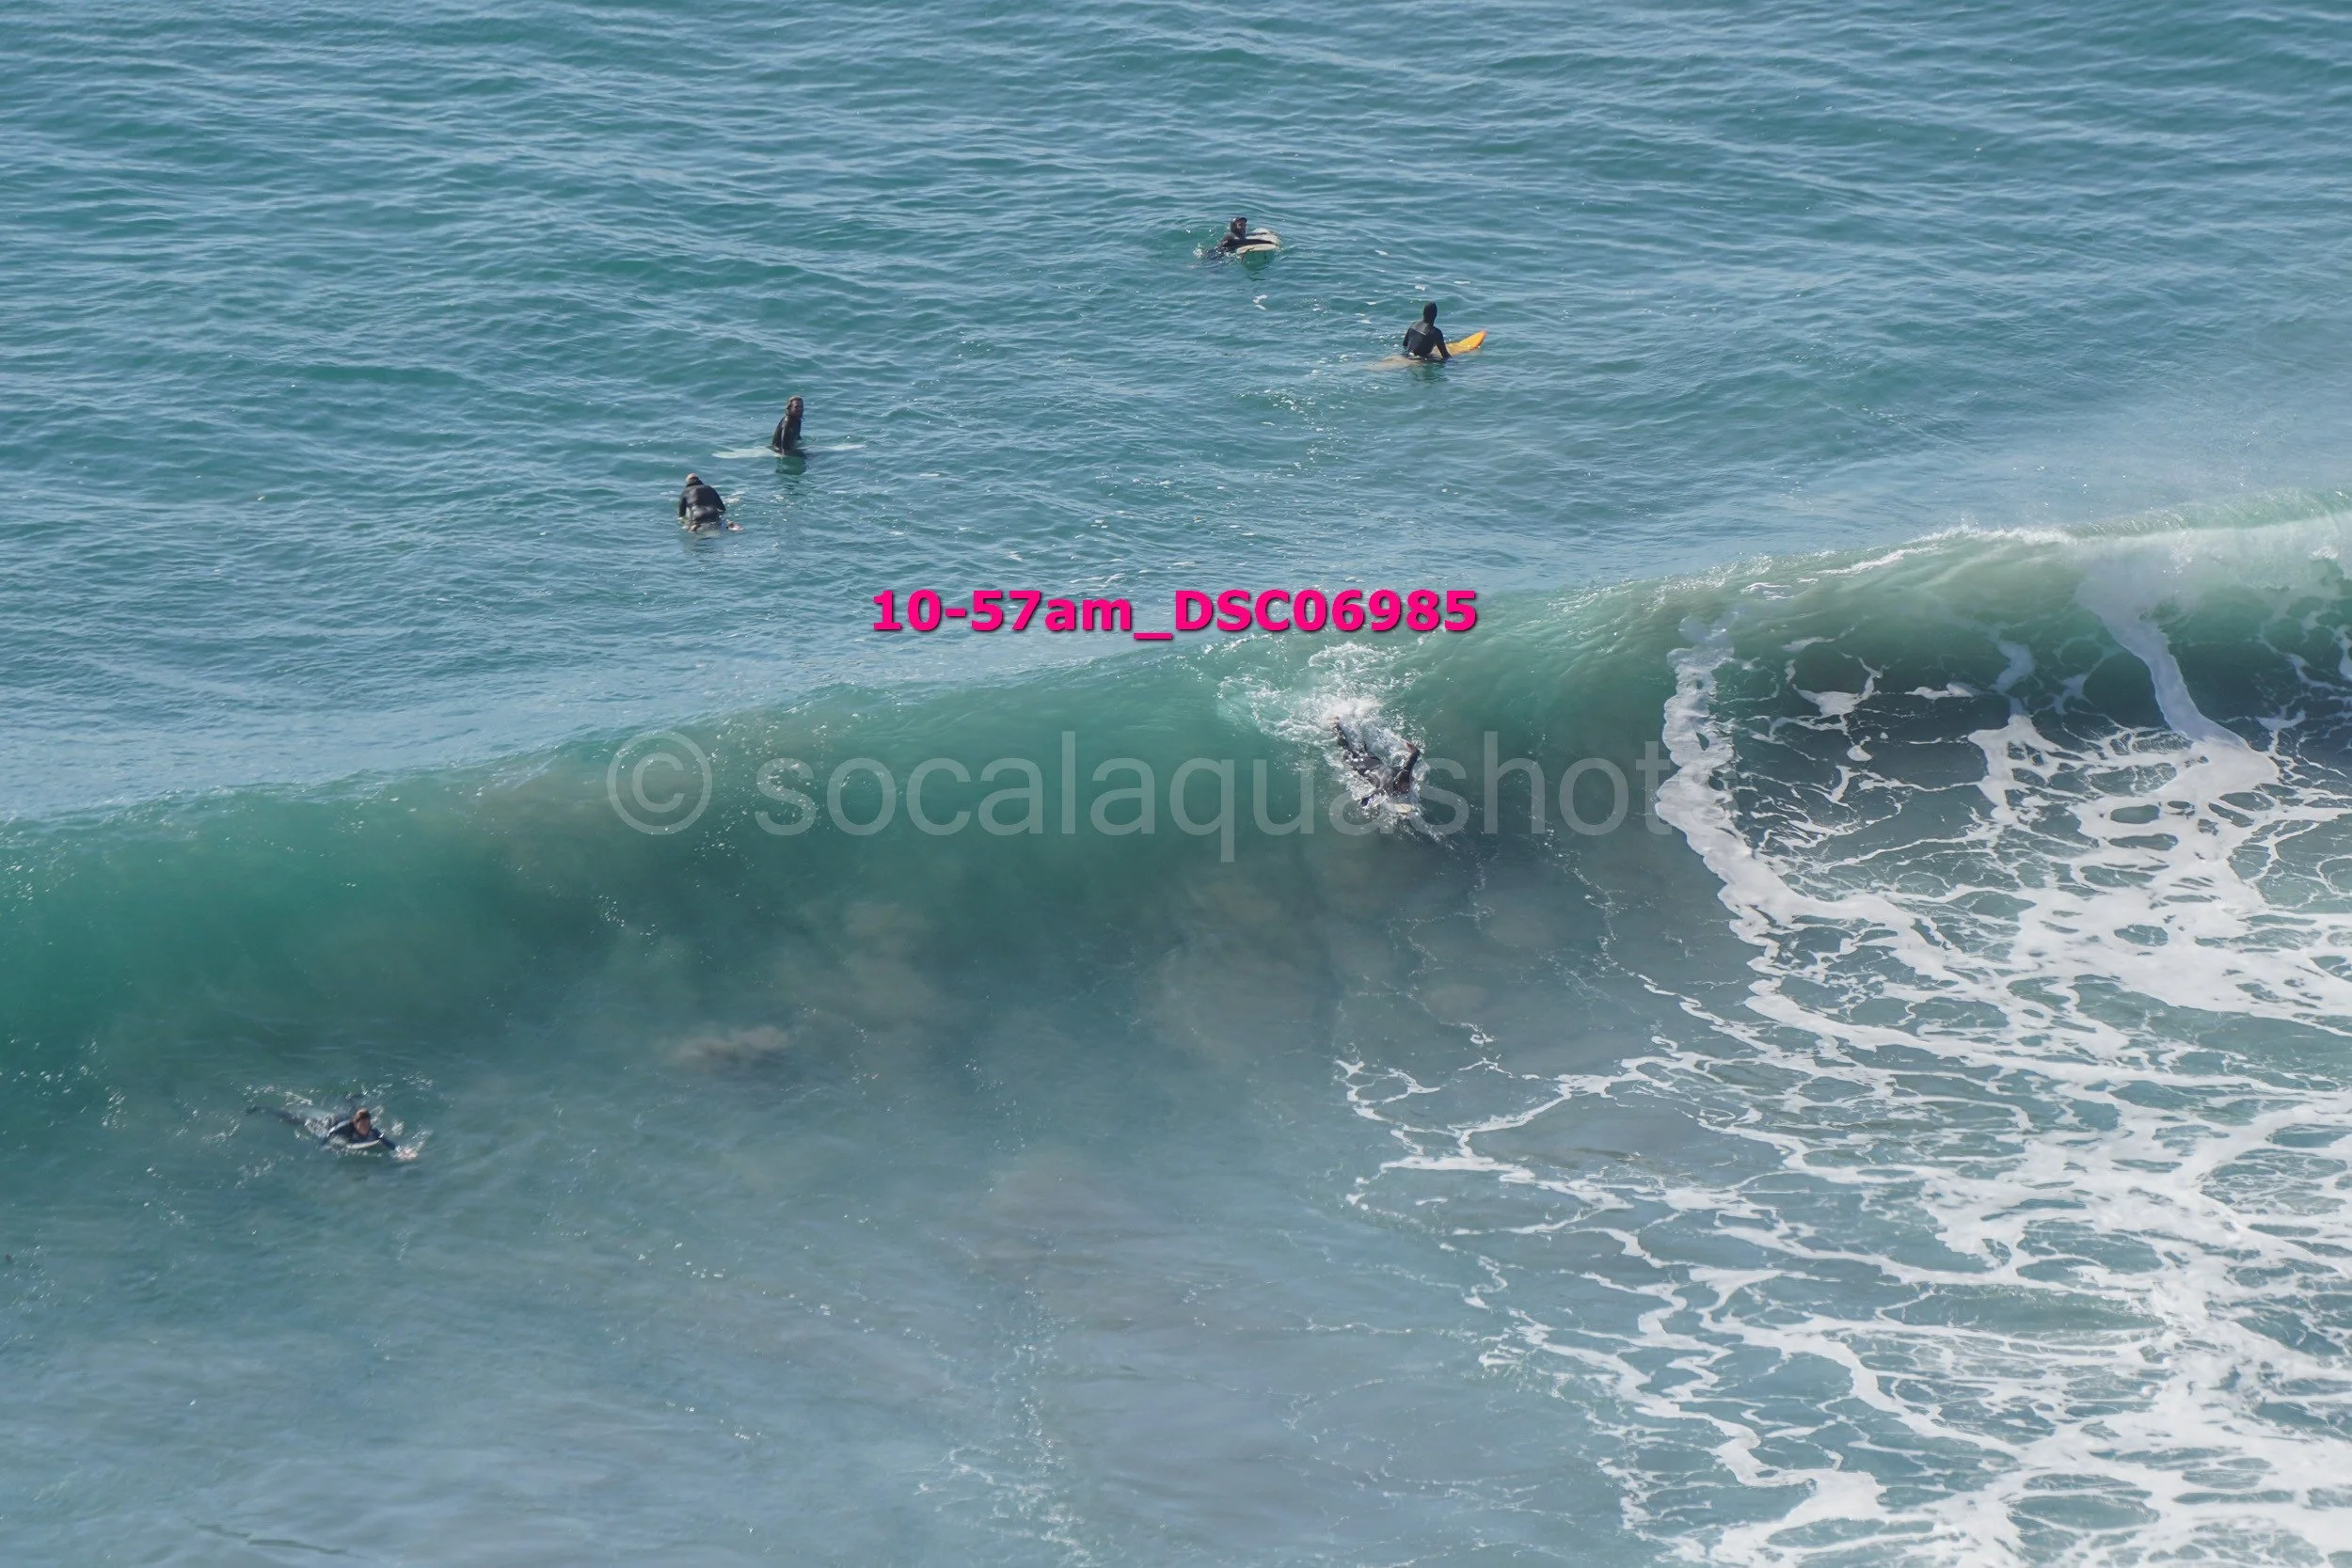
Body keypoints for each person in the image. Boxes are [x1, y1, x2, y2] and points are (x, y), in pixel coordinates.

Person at [323, 1107, 395, 1151]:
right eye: (363, 1124)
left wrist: (399, 1150)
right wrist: (324, 1145)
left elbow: (385, 1141)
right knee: (327, 1124)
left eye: (368, 1124)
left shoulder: (372, 1131)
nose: (366, 1127)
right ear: (355, 1124)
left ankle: (350, 1099)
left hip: (352, 1119)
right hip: (336, 1120)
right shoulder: (345, 1128)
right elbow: (329, 1134)